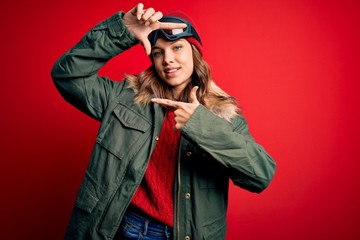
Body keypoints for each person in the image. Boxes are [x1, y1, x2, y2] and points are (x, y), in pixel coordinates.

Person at [51, 3, 276, 240]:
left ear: (194, 53)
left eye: (177, 47)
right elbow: (68, 75)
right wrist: (121, 32)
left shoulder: (224, 115)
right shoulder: (125, 99)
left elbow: (260, 176)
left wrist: (201, 124)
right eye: (158, 52)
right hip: (123, 228)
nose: (167, 59)